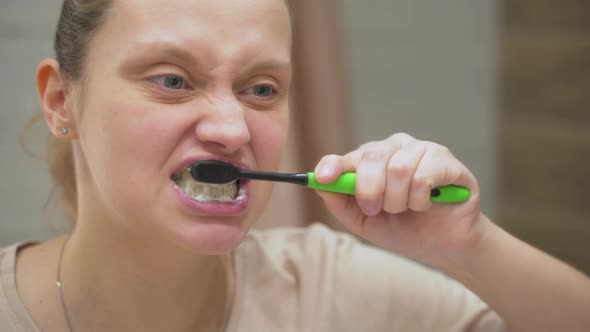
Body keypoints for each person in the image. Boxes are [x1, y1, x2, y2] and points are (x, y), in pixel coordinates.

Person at [1, 0, 589, 331]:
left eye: (261, 89)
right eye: (173, 80)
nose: (231, 130)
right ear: (60, 102)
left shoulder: (337, 295)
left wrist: (470, 246)